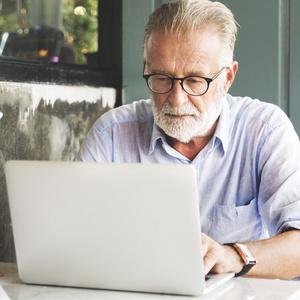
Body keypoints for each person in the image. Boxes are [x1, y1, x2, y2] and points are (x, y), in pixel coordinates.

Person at [74, 0, 300, 279]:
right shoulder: (111, 134)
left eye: (194, 81)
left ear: (227, 78)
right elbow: (72, 234)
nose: (177, 99)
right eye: (161, 78)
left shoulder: (265, 131)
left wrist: (233, 256)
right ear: (146, 68)